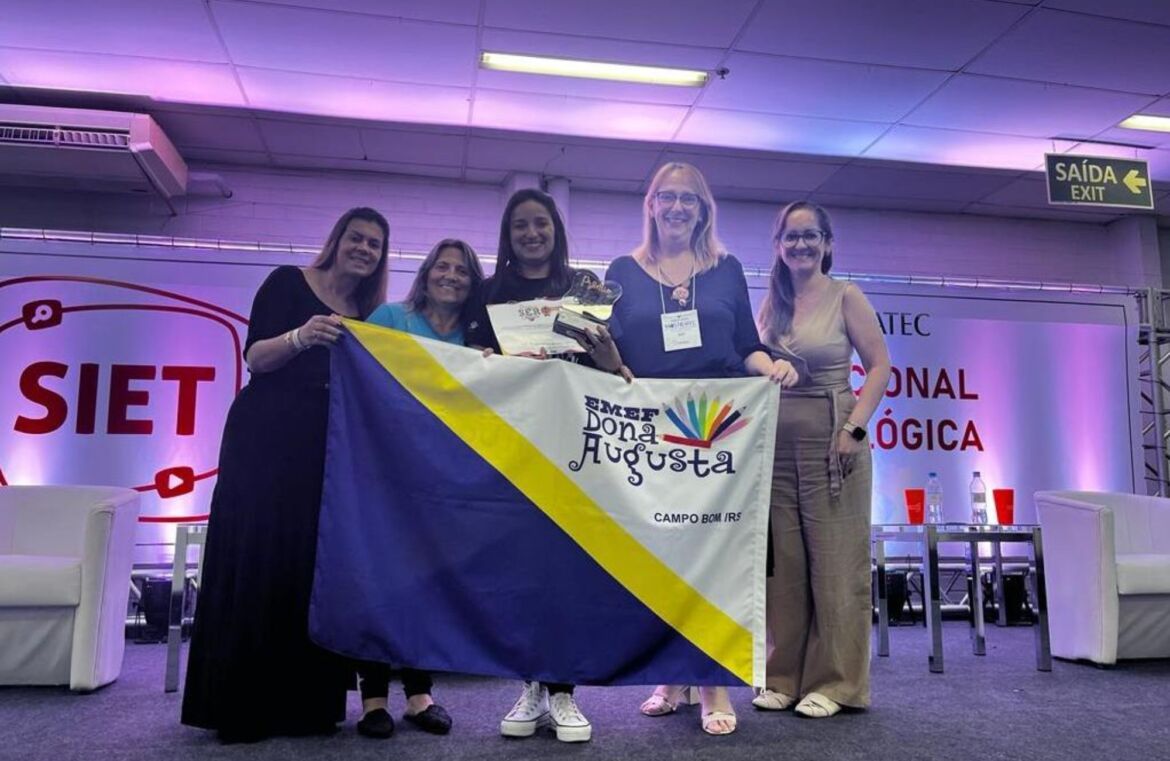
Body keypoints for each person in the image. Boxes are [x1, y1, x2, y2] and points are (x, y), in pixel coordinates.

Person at [181, 207, 389, 743]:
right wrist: (301, 336)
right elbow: (256, 357)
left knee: (308, 567)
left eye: (374, 244)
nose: (364, 249)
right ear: (337, 239)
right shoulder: (287, 282)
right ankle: (238, 707)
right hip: (266, 439)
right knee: (256, 558)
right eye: (357, 238)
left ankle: (306, 707)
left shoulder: (369, 313)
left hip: (325, 447)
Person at [604, 162, 798, 736]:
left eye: (688, 198)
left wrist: (771, 366)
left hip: (716, 430)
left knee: (712, 554)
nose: (676, 207)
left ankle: (712, 681)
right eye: (666, 197)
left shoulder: (726, 269)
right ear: (651, 205)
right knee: (663, 555)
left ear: (703, 209)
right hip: (650, 433)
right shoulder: (622, 271)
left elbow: (745, 344)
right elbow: (609, 351)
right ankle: (672, 675)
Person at [467, 188, 624, 744]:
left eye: (541, 223)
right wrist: (485, 362)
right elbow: (469, 369)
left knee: (566, 569)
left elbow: (607, 372)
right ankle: (531, 685)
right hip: (514, 445)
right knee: (521, 571)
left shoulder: (584, 287)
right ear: (507, 236)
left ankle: (563, 691)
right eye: (520, 226)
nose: (531, 234)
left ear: (556, 229)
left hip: (572, 443)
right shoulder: (488, 293)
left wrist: (610, 358)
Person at [752, 201, 890, 719]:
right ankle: (783, 676)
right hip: (775, 447)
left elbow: (880, 366)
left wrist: (855, 427)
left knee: (836, 566)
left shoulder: (846, 295)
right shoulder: (771, 303)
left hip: (834, 442)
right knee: (783, 570)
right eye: (791, 237)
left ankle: (836, 683)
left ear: (827, 244)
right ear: (778, 246)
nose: (801, 245)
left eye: (811, 235)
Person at [351, 238, 485, 739]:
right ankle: (372, 700)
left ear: (472, 284)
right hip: (384, 469)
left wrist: (486, 368)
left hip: (440, 476)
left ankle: (420, 696)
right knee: (378, 581)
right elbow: (359, 369)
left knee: (426, 582)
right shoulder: (391, 317)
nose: (451, 276)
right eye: (442, 267)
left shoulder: (474, 338)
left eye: (462, 271)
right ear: (426, 273)